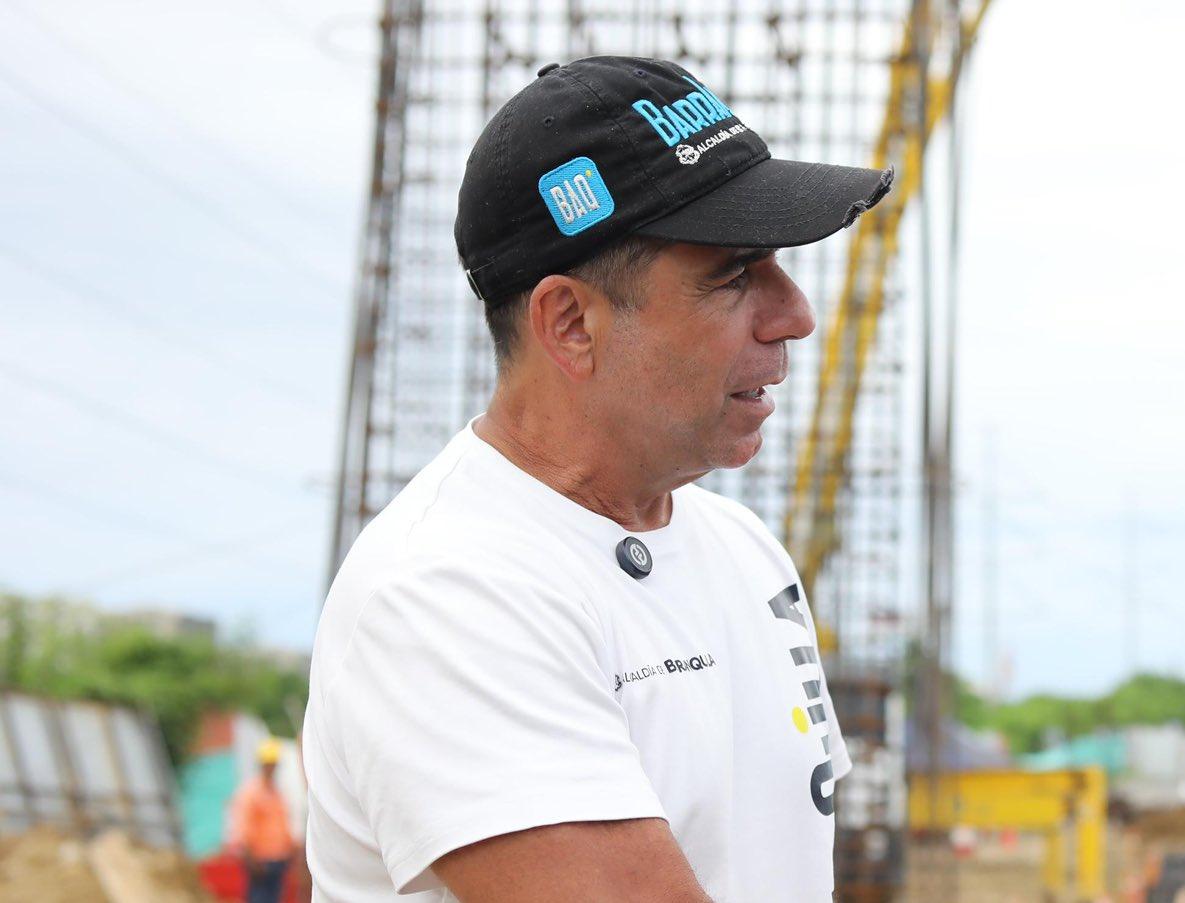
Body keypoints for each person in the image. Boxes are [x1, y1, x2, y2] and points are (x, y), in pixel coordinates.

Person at [301, 56, 892, 902]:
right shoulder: (447, 591)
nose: (794, 314)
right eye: (734, 274)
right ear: (570, 323)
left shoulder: (742, 549)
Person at [226, 738, 296, 903]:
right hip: (259, 862)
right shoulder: (250, 793)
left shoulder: (276, 792)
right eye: (269, 763)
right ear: (262, 764)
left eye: (274, 763)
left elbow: (281, 825)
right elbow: (242, 830)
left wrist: (290, 850)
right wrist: (251, 860)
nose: (272, 768)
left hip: (278, 859)